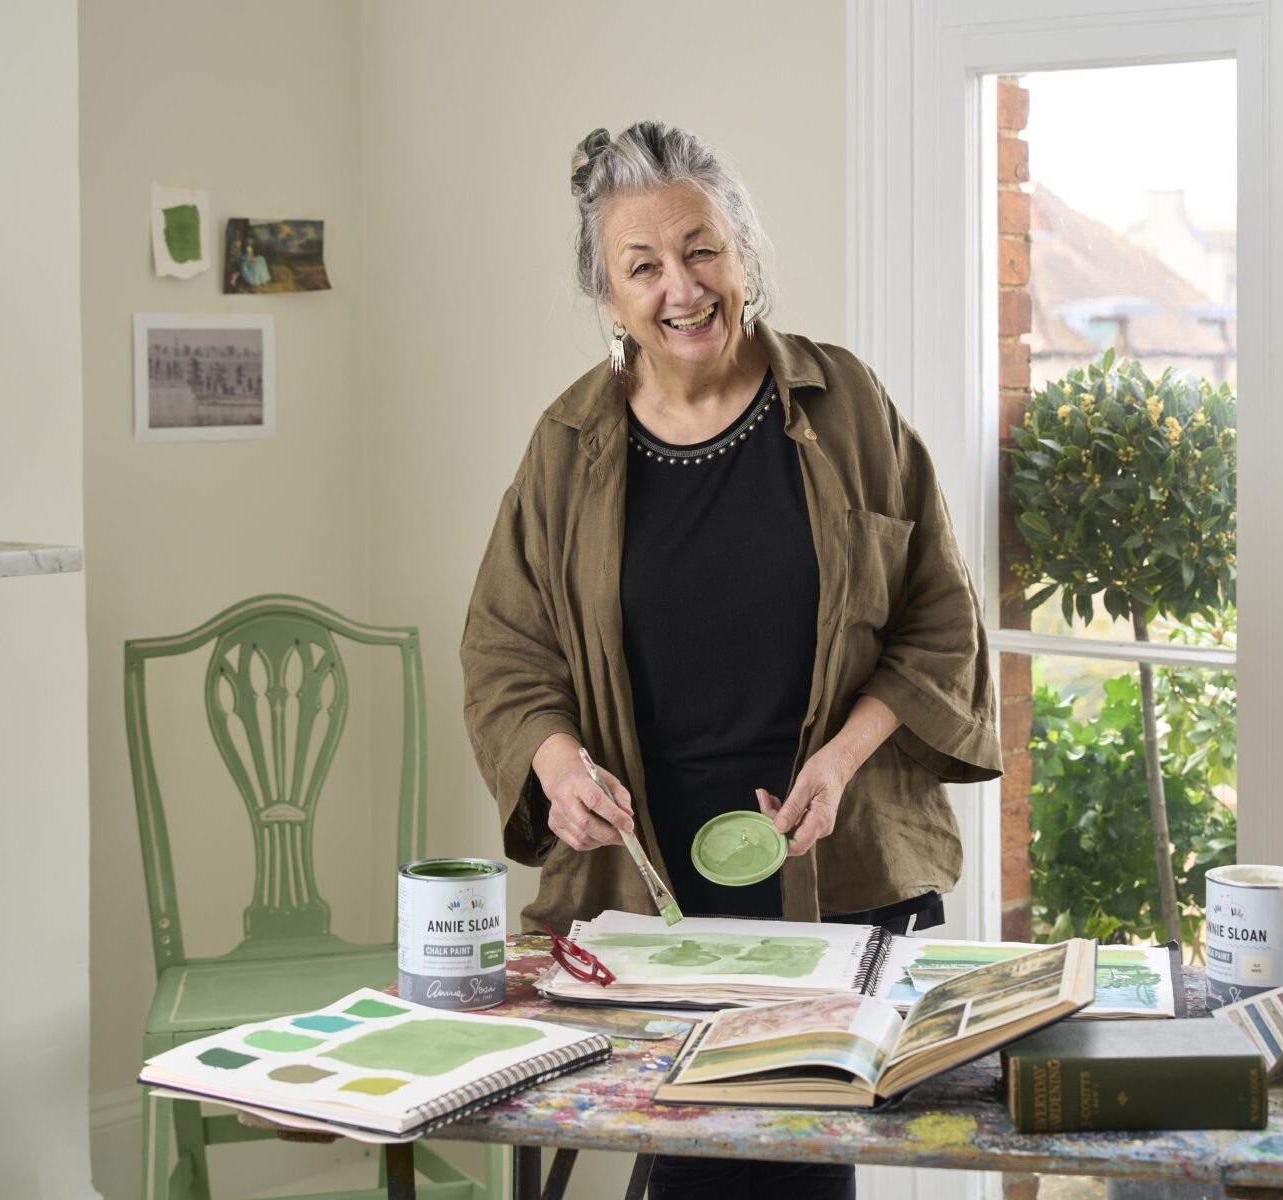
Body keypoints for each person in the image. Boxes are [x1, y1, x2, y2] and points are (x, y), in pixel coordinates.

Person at [460, 121, 999, 1200]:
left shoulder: (845, 406)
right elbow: (507, 651)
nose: (681, 287)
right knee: (688, 1161)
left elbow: (940, 621)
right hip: (644, 873)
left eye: (702, 249)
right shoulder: (566, 448)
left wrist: (843, 761)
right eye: (642, 266)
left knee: (796, 1161)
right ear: (609, 298)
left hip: (830, 855)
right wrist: (559, 768)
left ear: (745, 254)